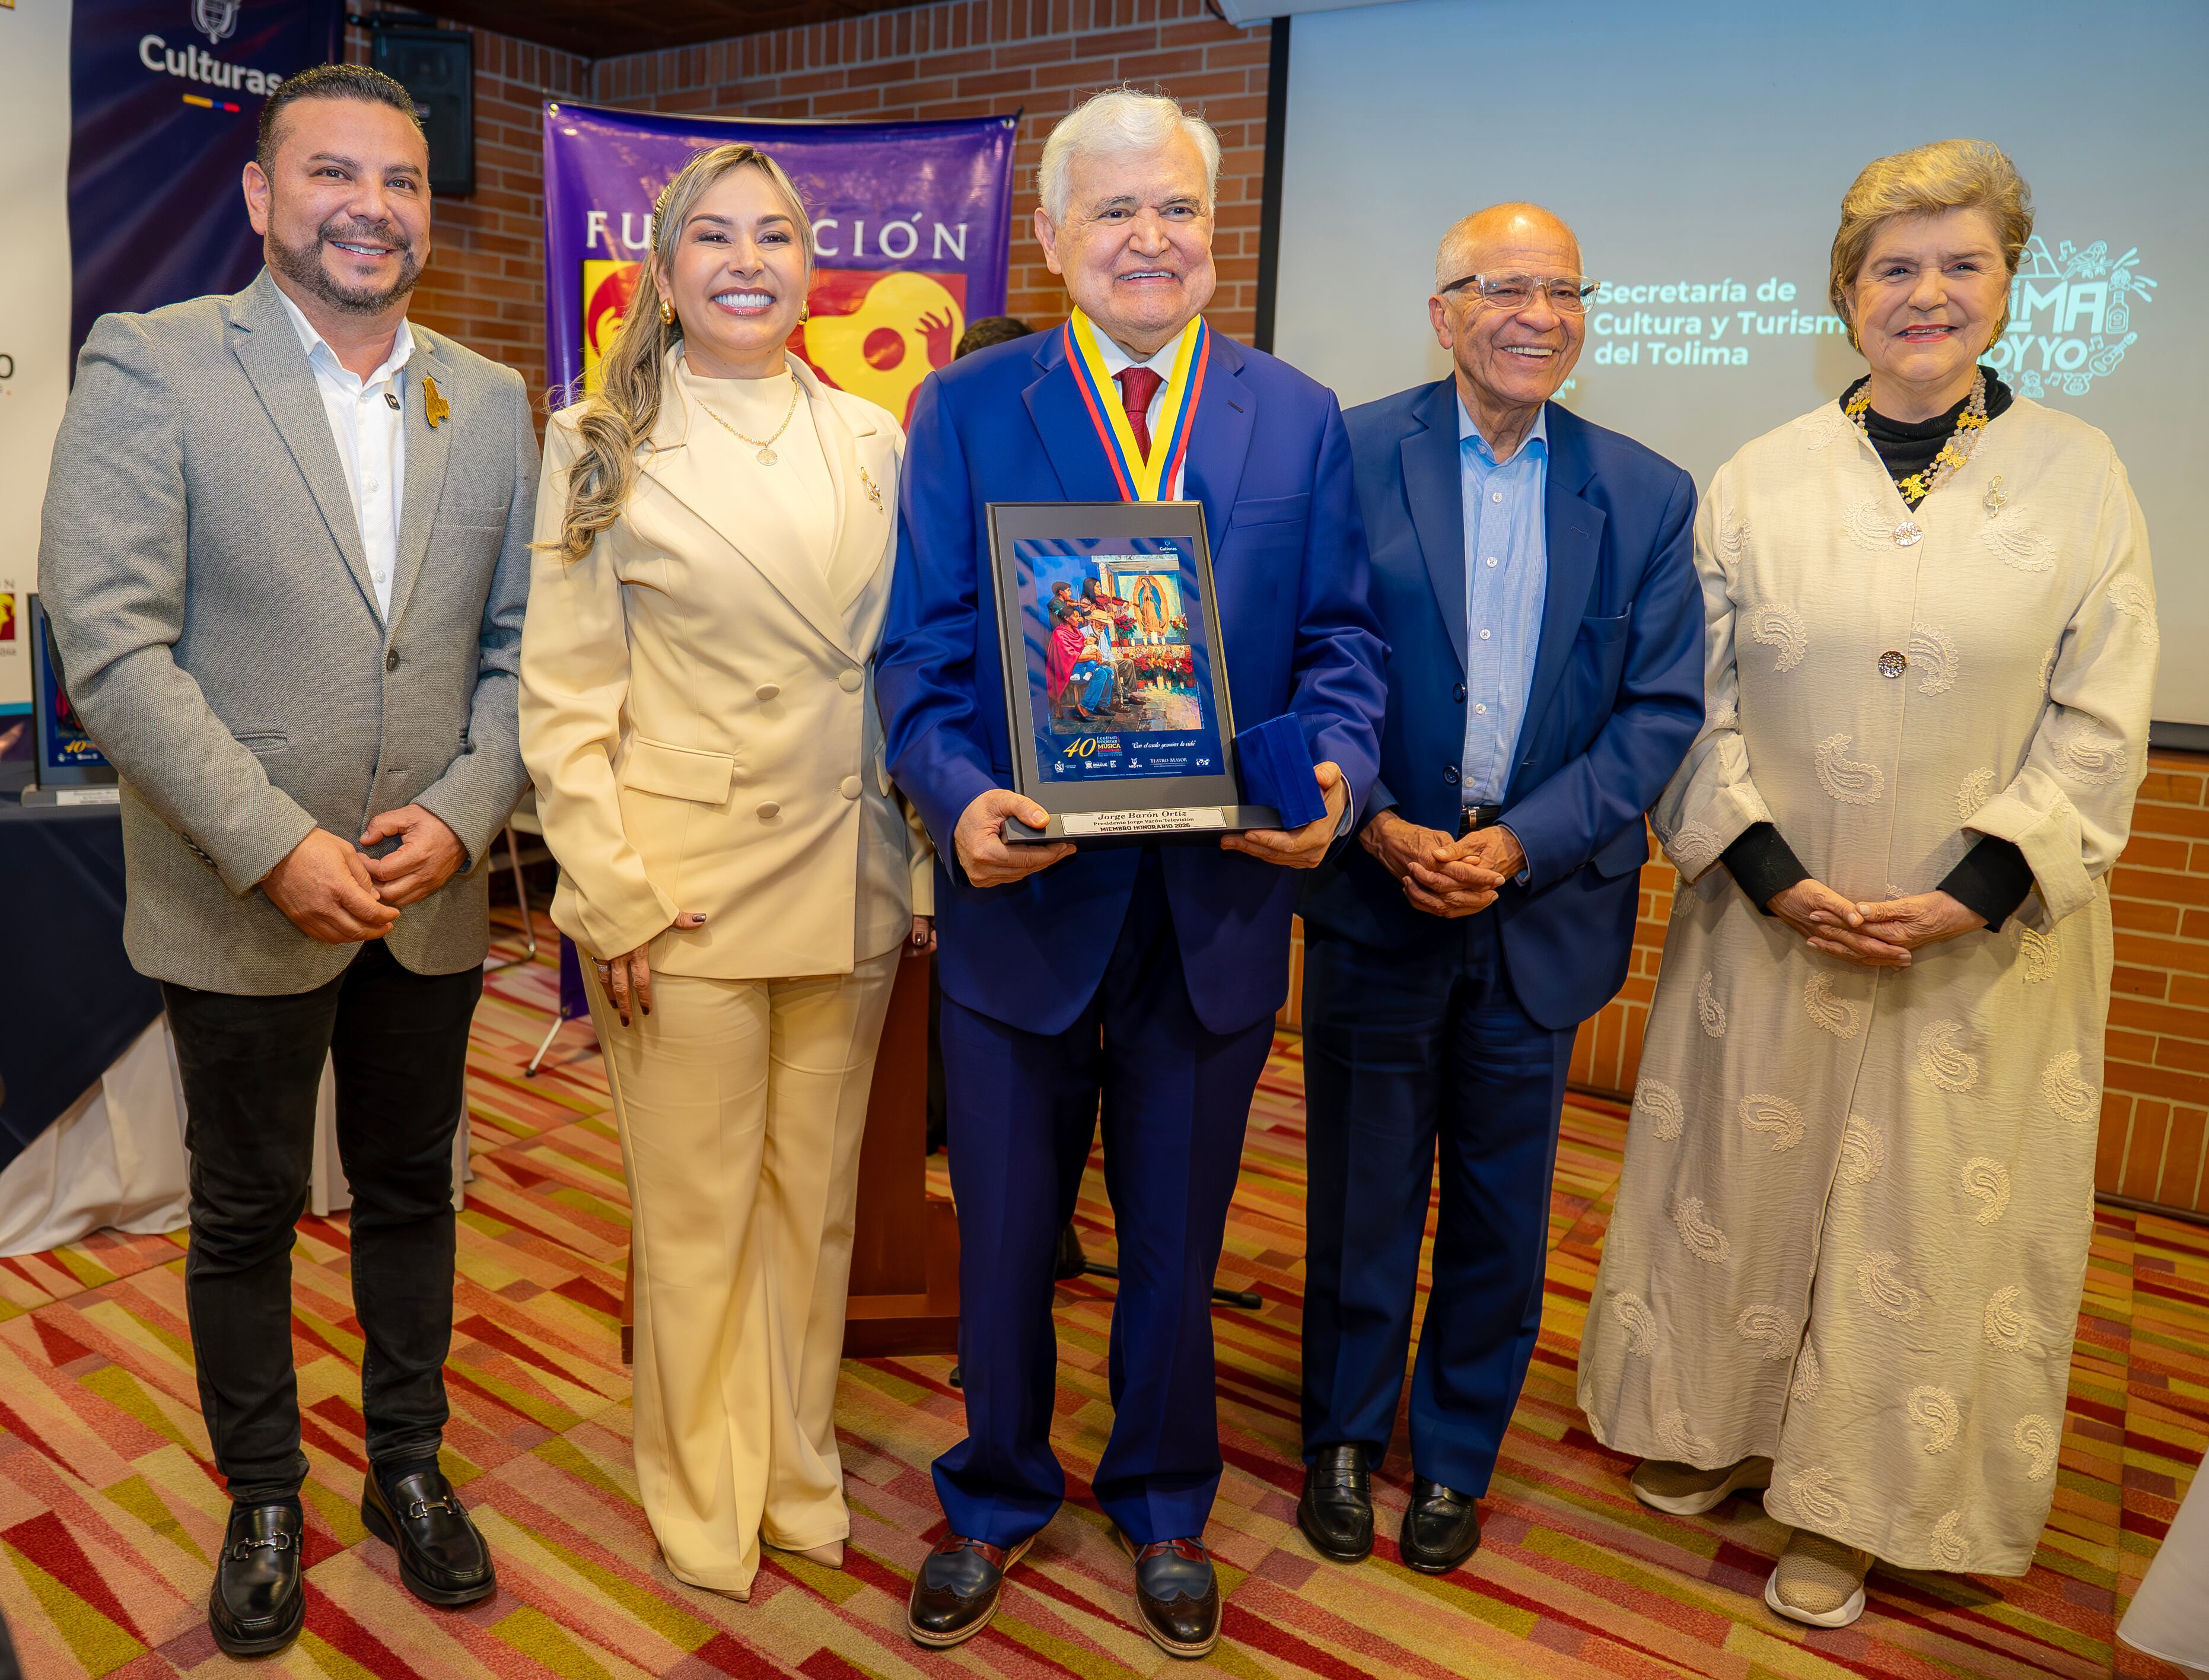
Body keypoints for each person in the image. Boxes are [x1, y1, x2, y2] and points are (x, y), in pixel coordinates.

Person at [1578, 139, 2157, 1628]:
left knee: (1923, 1222)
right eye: (1893, 267)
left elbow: (2102, 712)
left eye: (1960, 264)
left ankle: (1858, 1503)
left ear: (2005, 287)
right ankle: (1716, 1428)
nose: (1926, 294)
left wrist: (1976, 884)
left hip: (1976, 949)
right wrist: (1769, 872)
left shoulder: (2082, 477)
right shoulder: (1757, 478)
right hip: (1771, 926)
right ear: (1843, 293)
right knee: (1742, 1186)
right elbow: (1684, 697)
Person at [877, 87, 1386, 1659]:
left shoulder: (1296, 414)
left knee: (1177, 1239)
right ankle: (992, 1493)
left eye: (1173, 208)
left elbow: (1344, 645)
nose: (1147, 239)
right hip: (1023, 899)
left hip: (1219, 905)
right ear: (1050, 235)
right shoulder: (966, 407)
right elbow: (919, 655)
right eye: (1112, 211)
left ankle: (1163, 1498)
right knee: (1008, 1234)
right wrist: (954, 798)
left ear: (1212, 231)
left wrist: (1337, 781)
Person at [37, 64, 534, 1656]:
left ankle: (404, 1466)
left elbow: (529, 655)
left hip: (432, 894)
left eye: (399, 181)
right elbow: (111, 653)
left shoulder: (492, 399)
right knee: (244, 1215)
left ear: (425, 216)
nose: (370, 206)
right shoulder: (156, 367)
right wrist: (272, 849)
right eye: (333, 173)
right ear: (262, 197)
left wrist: (464, 815)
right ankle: (263, 1494)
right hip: (244, 899)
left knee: (412, 1194)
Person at [518, 142, 932, 1603]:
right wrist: (608, 895)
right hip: (677, 894)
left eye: (774, 236)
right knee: (695, 1224)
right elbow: (565, 704)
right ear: (666, 267)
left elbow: (902, 678)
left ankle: (796, 1469)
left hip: (847, 879)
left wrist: (925, 872)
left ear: (811, 266)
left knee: (811, 1213)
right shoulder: (597, 440)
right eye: (715, 236)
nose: (746, 260)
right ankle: (703, 1491)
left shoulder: (874, 438)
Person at [1294, 205, 1704, 1576]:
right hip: (1375, 882)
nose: (1535, 315)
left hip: (1539, 907)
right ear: (1441, 311)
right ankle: (1343, 1440)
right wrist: (1374, 825)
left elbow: (1653, 717)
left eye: (1560, 291)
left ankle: (1452, 1455)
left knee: (1499, 1204)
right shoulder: (1341, 456)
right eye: (1502, 289)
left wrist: (1516, 841)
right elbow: (1289, 660)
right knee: (1359, 1189)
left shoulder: (1644, 493)